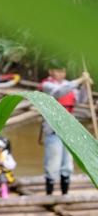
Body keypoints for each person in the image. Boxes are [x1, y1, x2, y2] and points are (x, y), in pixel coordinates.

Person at [39, 64, 90, 195]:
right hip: (53, 130)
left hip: (69, 132)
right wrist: (79, 80)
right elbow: (58, 92)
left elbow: (81, 99)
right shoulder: (47, 85)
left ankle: (65, 194)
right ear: (50, 71)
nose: (60, 73)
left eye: (62, 71)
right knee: (52, 165)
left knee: (67, 165)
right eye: (57, 71)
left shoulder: (69, 85)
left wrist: (85, 85)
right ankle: (49, 195)